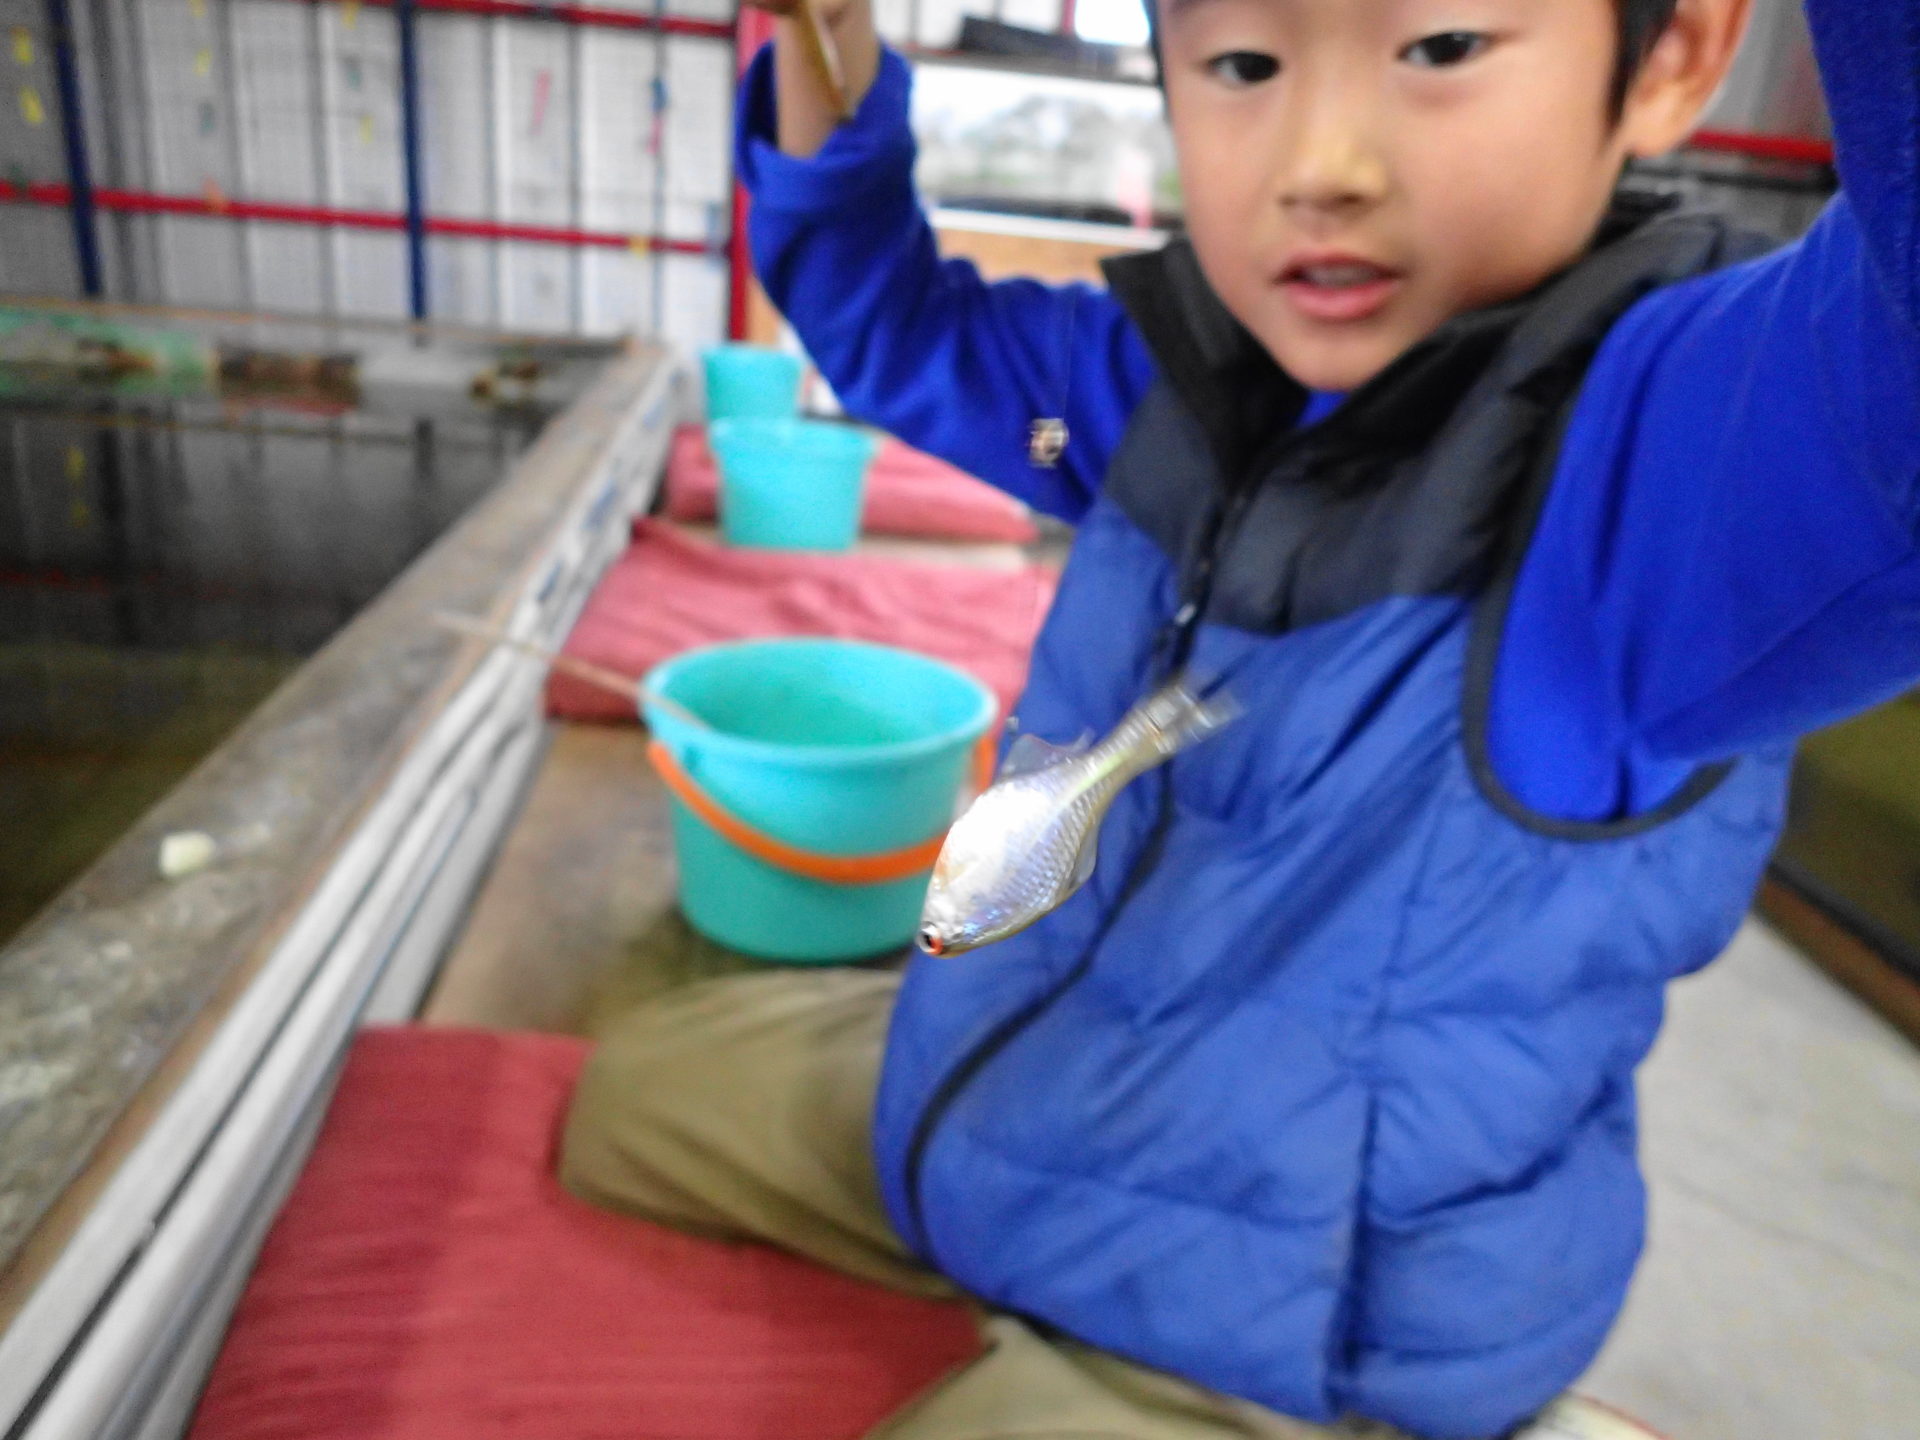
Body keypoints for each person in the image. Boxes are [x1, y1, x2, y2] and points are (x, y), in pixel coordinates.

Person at [560, 0, 1920, 1435]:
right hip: (1037, 1119)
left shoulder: (1673, 485)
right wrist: (825, 37)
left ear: (1676, 57)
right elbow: (896, 329)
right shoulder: (1150, 393)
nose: (1319, 162)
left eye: (1442, 48)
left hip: (1268, 1331)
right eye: (1245, 65)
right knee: (625, 1099)